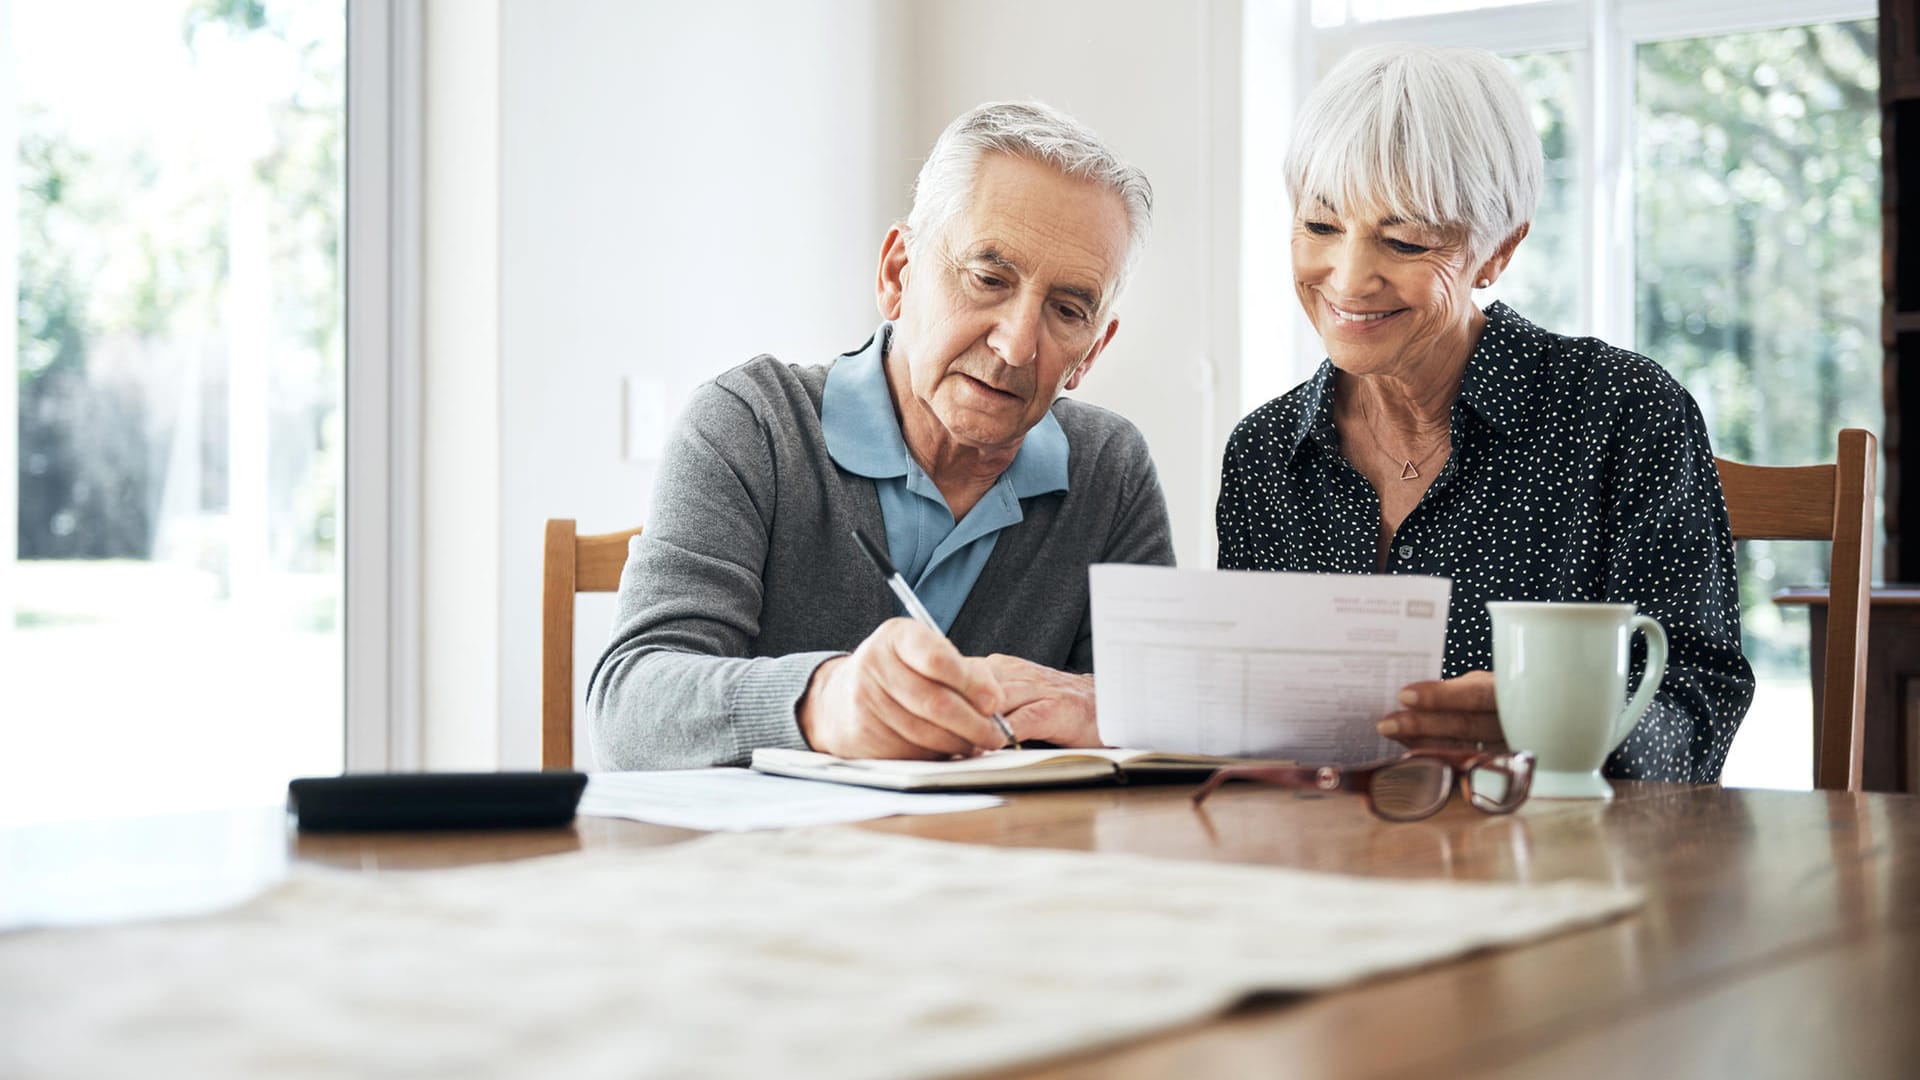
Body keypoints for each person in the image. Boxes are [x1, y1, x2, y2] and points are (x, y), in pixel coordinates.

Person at [1217, 44, 1754, 783]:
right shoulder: (1265, 454)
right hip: (1326, 867)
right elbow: (1252, 724)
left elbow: (1698, 712)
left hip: (1555, 865)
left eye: (1403, 240)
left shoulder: (1625, 415)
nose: (1346, 278)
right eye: (1319, 226)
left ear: (1498, 251)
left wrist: (1559, 726)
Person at [589, 101, 1175, 770]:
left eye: (1068, 310)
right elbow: (628, 712)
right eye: (988, 279)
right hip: (770, 865)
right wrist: (824, 703)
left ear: (1092, 352)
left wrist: (1117, 711)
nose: (1016, 345)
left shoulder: (1111, 469)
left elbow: (1161, 723)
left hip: (1011, 859)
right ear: (897, 274)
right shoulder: (751, 424)